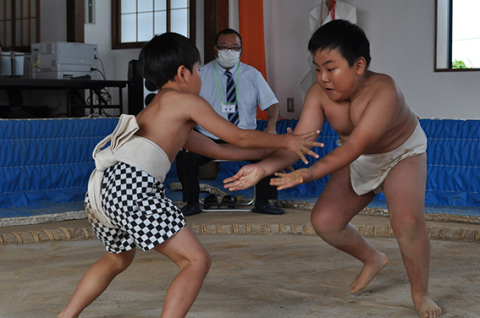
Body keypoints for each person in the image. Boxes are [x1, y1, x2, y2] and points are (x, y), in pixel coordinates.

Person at [58, 32, 322, 318]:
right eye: (198, 70)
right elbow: (239, 136)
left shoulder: (157, 110)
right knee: (196, 261)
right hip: (133, 187)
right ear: (183, 73)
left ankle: (66, 315)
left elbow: (220, 148)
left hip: (103, 189)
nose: (200, 75)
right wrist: (287, 142)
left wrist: (268, 160)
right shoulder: (185, 102)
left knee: (117, 259)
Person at [224, 20, 442, 318]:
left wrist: (309, 173)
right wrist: (261, 169)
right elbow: (299, 144)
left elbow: (353, 147)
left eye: (331, 68)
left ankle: (421, 293)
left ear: (359, 65)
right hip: (357, 160)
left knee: (407, 221)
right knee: (325, 221)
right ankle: (373, 258)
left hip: (401, 154)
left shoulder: (385, 91)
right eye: (317, 69)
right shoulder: (318, 94)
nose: (323, 78)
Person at [175, 28, 284, 216]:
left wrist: (271, 126)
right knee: (185, 154)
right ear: (215, 49)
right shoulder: (201, 74)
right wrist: (187, 135)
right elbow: (186, 107)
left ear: (241, 50)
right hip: (209, 137)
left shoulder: (253, 74)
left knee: (272, 150)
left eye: (235, 48)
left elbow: (272, 104)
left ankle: (264, 201)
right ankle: (191, 203)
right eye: (224, 47)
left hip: (246, 136)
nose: (229, 52)